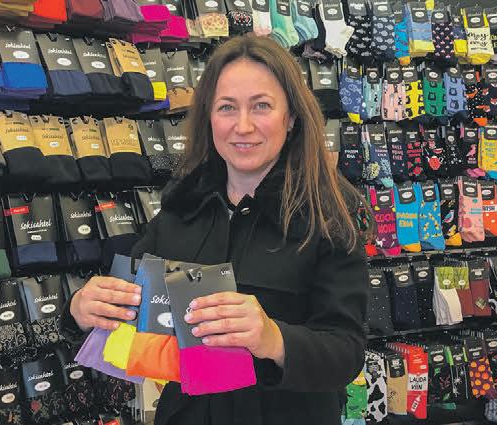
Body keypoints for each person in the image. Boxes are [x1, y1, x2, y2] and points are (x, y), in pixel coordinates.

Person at [63, 35, 369, 425]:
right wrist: (82, 310)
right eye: (227, 107)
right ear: (209, 118)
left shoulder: (328, 214)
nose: (243, 126)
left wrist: (273, 338)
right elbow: (127, 310)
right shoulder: (181, 207)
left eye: (261, 106)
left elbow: (346, 351)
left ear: (291, 117)